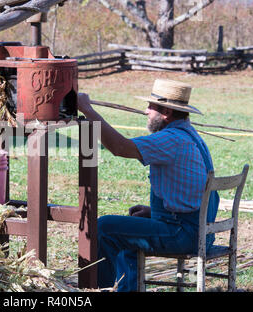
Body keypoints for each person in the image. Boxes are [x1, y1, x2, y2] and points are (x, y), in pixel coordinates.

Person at [77, 79, 219, 292]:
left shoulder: (171, 139)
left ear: (166, 113)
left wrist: (87, 110)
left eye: (151, 107)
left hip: (184, 235)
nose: (146, 111)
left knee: (104, 227)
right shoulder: (191, 136)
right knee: (124, 233)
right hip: (201, 233)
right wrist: (154, 212)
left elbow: (119, 147)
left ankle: (96, 290)